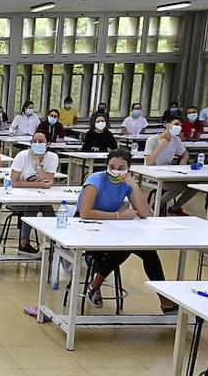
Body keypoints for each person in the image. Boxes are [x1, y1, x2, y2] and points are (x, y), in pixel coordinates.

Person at [77, 149, 178, 313]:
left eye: (121, 167)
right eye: (112, 166)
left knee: (148, 252)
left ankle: (165, 300)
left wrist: (134, 185)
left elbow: (144, 213)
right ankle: (95, 285)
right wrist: (119, 216)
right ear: (106, 166)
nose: (116, 170)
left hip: (111, 227)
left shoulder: (126, 183)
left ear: (128, 169)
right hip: (86, 227)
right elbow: (85, 212)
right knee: (125, 245)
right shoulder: (96, 179)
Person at [10, 132, 59, 253]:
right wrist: (39, 184)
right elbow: (14, 182)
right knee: (33, 205)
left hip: (40, 196)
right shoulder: (22, 156)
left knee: (46, 205)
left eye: (41, 141)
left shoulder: (52, 157)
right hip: (17, 197)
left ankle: (53, 241)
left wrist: (38, 164)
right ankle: (24, 242)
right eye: (34, 141)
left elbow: (48, 181)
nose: (37, 144)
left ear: (47, 143)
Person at [144, 116, 194, 215]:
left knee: (194, 186)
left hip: (169, 172)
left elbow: (185, 153)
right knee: (179, 187)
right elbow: (149, 162)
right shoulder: (152, 140)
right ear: (167, 125)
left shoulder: (176, 140)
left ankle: (175, 207)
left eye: (180, 125)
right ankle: (159, 204)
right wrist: (160, 146)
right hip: (153, 174)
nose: (179, 127)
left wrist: (182, 164)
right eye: (176, 124)